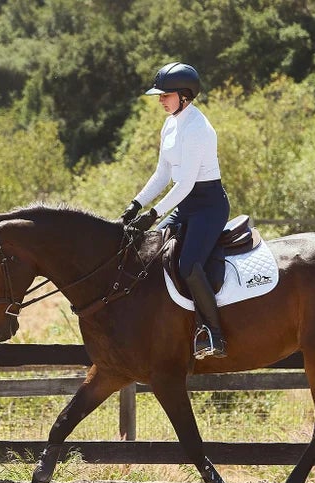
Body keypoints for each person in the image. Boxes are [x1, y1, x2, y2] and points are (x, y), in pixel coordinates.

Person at [120, 62, 230, 359]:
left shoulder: (198, 128)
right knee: (151, 253)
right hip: (185, 204)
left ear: (184, 95)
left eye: (164, 95)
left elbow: (186, 183)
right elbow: (162, 174)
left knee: (188, 265)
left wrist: (153, 214)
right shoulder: (170, 123)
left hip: (208, 206)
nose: (159, 99)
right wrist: (135, 205)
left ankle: (214, 334)